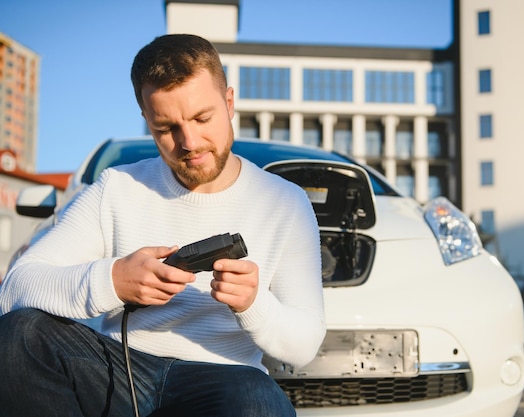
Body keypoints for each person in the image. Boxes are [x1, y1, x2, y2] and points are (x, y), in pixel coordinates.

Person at [0, 34, 326, 417]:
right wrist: (114, 280)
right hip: (119, 372)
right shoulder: (115, 188)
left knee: (256, 397)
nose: (189, 142)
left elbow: (305, 344)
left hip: (227, 381)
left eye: (203, 118)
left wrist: (254, 303)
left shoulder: (285, 202)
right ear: (146, 120)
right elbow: (14, 289)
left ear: (230, 102)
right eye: (166, 128)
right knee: (19, 335)